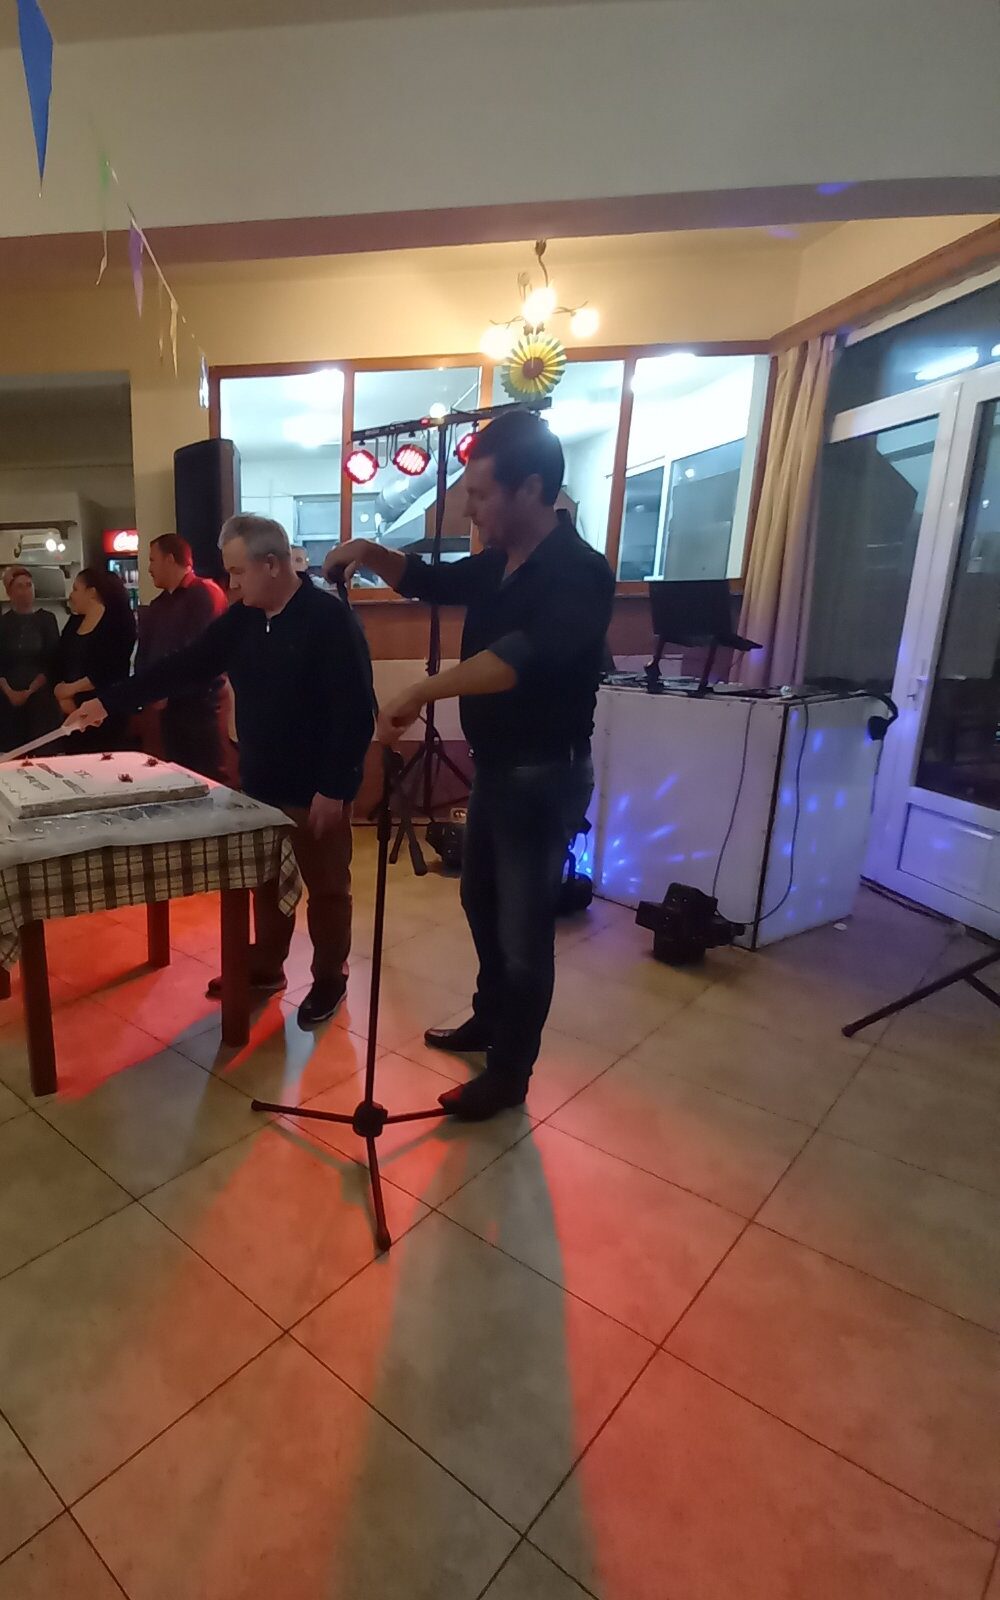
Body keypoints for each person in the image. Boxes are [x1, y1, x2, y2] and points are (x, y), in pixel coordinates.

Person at [325, 407, 614, 1120]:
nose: (468, 508)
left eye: (481, 494)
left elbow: (520, 660)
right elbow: (431, 580)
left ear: (531, 488)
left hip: (544, 775)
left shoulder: (578, 571)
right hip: (497, 769)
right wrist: (367, 549)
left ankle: (509, 1077)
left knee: (523, 936)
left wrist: (420, 691)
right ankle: (491, 1020)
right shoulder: (498, 564)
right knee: (479, 902)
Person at [67, 514, 375, 1028]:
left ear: (271, 564)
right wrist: (109, 701)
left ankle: (329, 977)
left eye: (237, 571)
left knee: (326, 889)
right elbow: (186, 665)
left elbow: (356, 712)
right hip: (260, 782)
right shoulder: (243, 619)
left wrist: (334, 787)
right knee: (266, 882)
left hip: (316, 788)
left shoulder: (328, 619)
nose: (231, 583)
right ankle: (267, 967)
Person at [138, 533, 228, 780]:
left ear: (170, 559)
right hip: (168, 708)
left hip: (200, 706)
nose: (149, 569)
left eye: (152, 560)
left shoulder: (204, 593)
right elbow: (146, 652)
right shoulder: (158, 604)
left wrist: (165, 688)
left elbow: (198, 652)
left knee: (207, 776)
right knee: (177, 775)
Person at [54, 567, 136, 752]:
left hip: (105, 710)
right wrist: (61, 693)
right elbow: (59, 659)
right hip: (72, 712)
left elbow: (112, 668)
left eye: (76, 589)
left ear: (91, 592)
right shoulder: (74, 622)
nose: (71, 595)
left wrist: (71, 689)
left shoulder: (118, 622)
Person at [0, 566, 61, 752]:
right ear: (10, 592)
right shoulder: (3, 623)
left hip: (40, 695)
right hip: (7, 695)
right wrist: (9, 691)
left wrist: (29, 691)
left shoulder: (46, 619)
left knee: (42, 748)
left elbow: (52, 660)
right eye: (19, 586)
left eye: (29, 585)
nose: (25, 591)